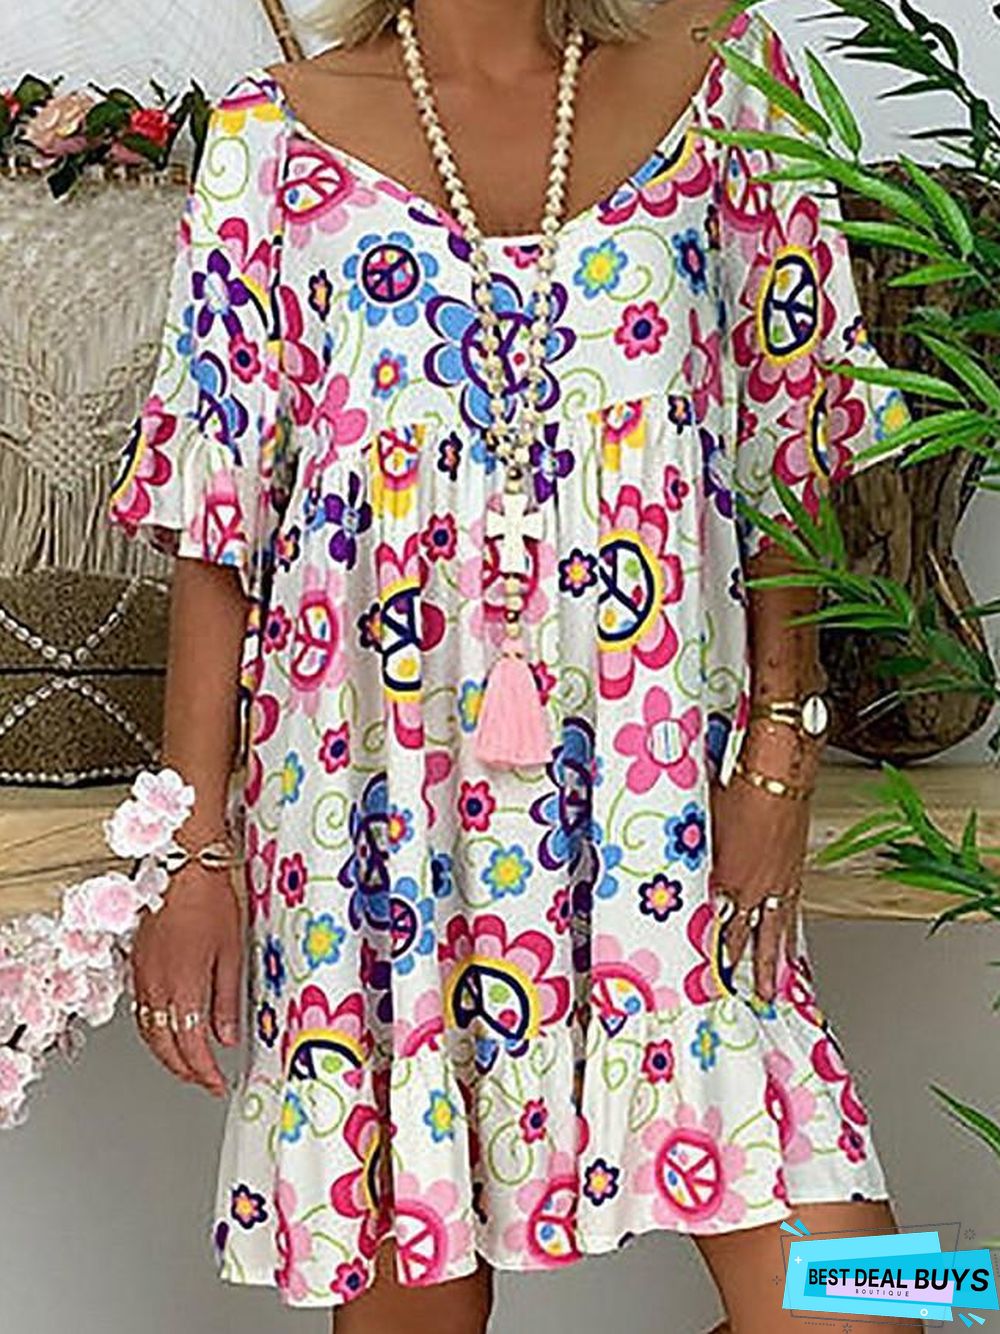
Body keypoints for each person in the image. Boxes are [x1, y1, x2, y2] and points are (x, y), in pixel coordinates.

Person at [108, 1, 917, 1330]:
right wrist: (193, 856)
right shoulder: (269, 137)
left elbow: (796, 438)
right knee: (417, 1297)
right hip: (372, 822)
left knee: (889, 1301)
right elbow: (216, 530)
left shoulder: (730, 74)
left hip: (657, 814)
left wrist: (782, 745)